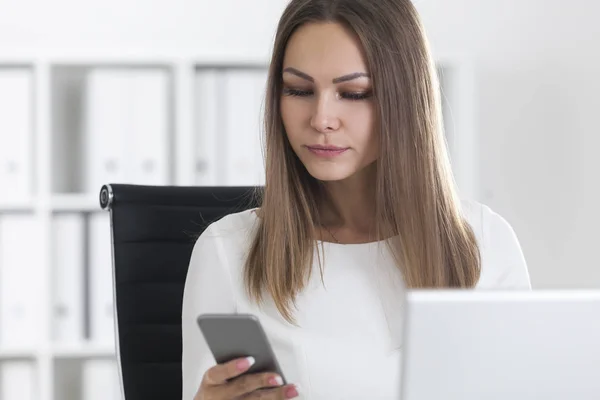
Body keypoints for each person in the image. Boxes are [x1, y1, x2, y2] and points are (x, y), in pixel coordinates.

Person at [182, 0, 531, 398]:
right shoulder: (228, 250)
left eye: (353, 92)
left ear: (406, 101)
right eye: (298, 90)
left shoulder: (486, 241)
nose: (321, 119)